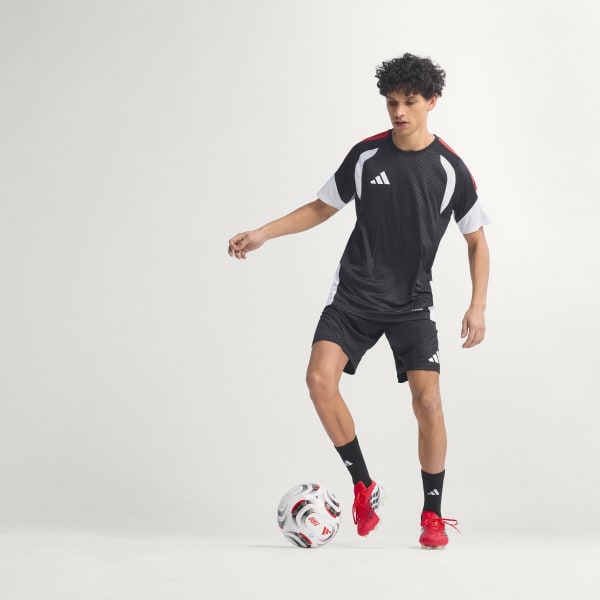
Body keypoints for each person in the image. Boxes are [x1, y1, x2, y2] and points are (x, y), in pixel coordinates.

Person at [228, 53, 490, 549]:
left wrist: (477, 305)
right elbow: (320, 208)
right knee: (318, 381)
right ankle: (363, 485)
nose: (399, 112)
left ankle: (432, 515)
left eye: (409, 102)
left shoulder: (450, 168)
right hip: (354, 294)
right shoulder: (367, 156)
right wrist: (264, 232)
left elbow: (476, 240)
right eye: (391, 103)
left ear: (432, 102)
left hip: (412, 302)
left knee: (428, 402)